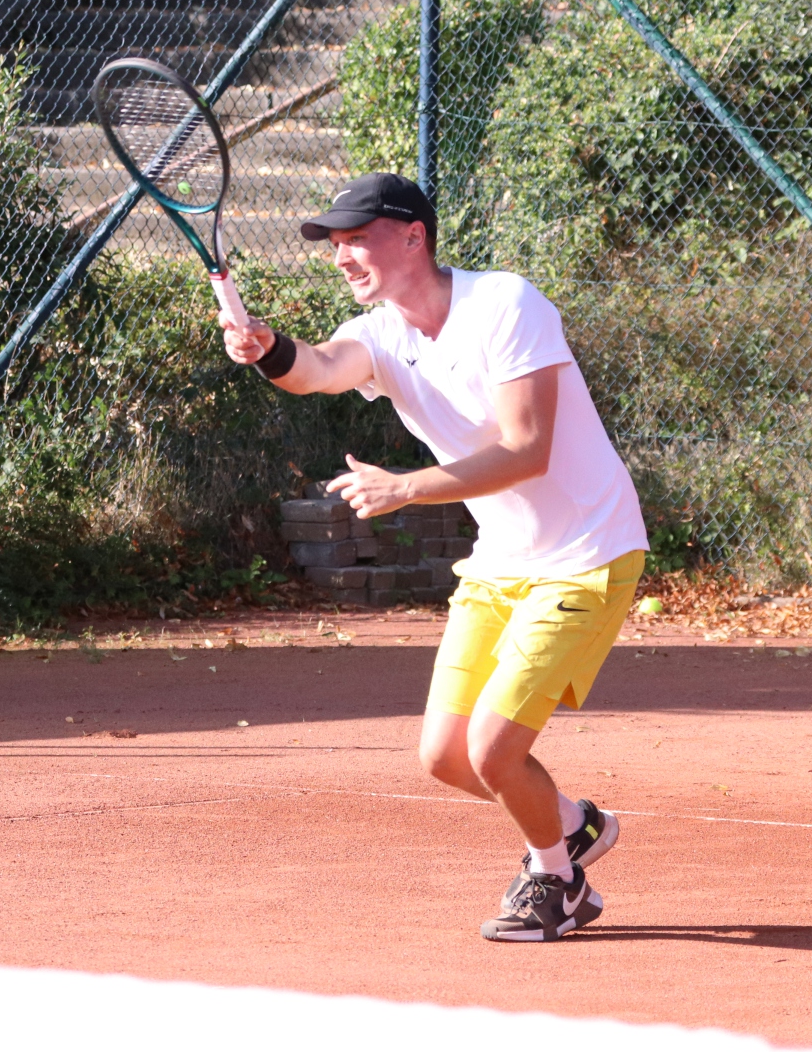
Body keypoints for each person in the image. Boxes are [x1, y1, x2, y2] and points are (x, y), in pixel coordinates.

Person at [220, 172, 647, 942]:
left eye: (357, 239)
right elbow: (319, 369)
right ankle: (573, 826)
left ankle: (558, 882)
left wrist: (405, 488)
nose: (342, 256)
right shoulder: (382, 334)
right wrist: (265, 349)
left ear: (414, 236)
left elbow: (527, 448)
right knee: (447, 756)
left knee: (493, 749)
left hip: (587, 551)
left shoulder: (506, 304)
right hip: (503, 560)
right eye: (335, 244)